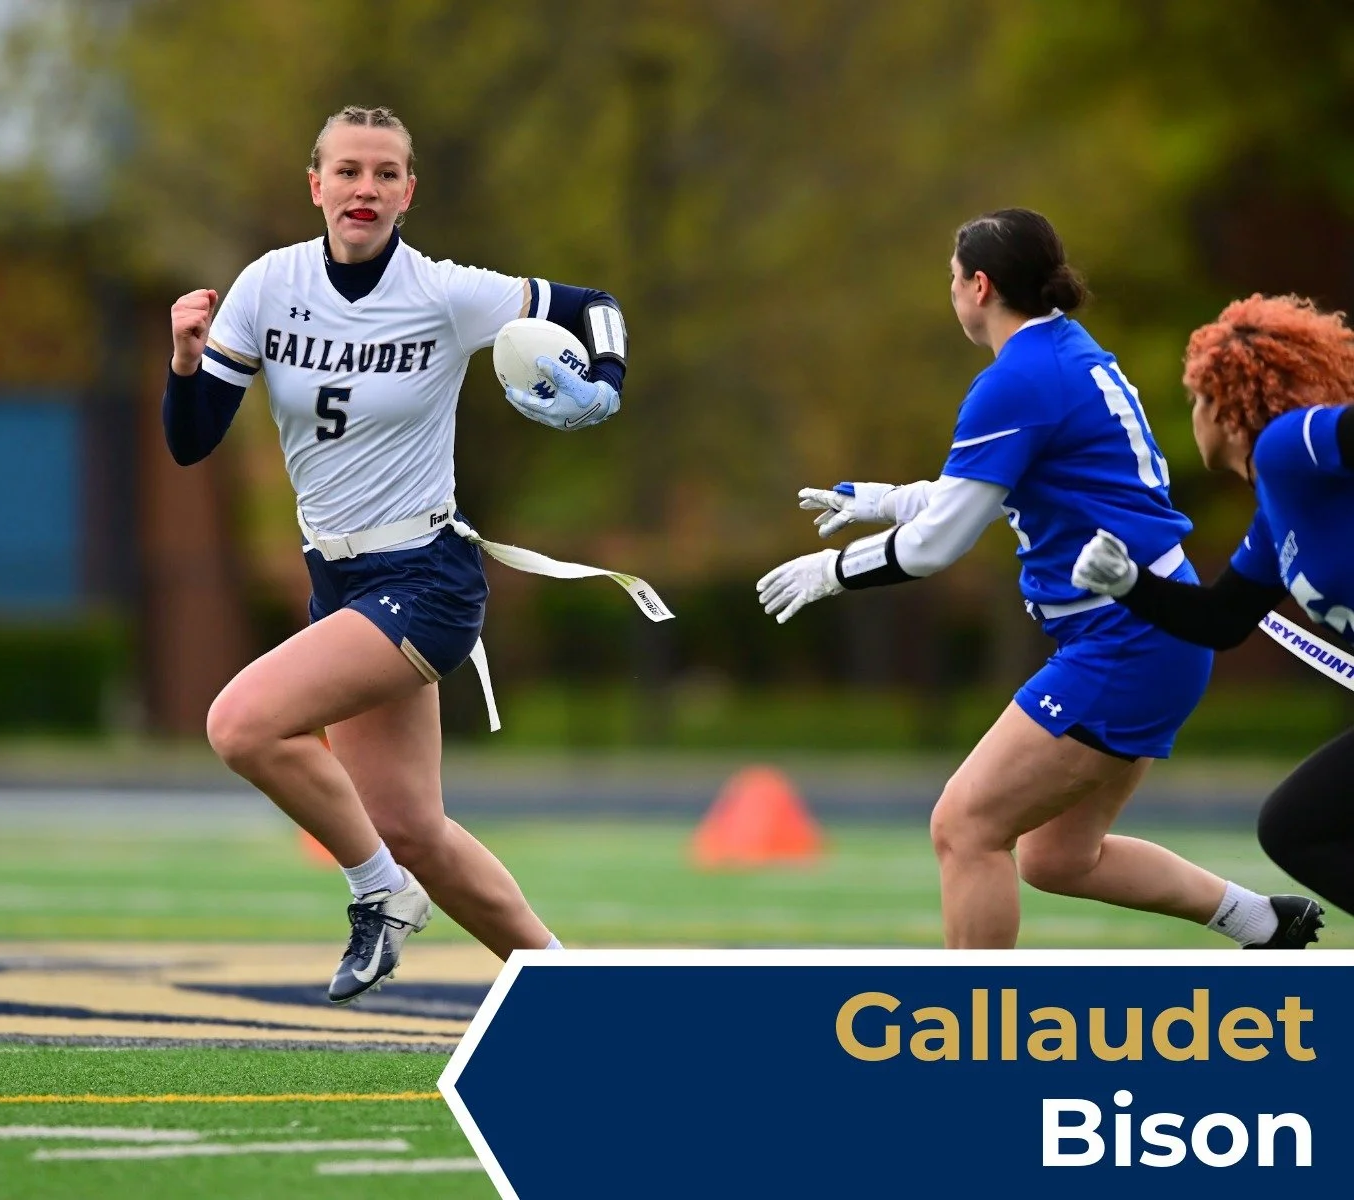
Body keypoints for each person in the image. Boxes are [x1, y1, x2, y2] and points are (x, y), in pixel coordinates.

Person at [164, 106, 643, 1003]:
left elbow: (596, 308)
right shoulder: (268, 285)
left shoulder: (443, 291)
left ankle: (378, 895)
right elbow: (192, 443)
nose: (364, 188)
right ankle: (576, 990)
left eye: (385, 174)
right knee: (414, 829)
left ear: (408, 193)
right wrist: (186, 362)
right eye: (347, 171)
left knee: (240, 725)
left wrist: (604, 384)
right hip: (337, 580)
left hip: (423, 579)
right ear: (315, 185)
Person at [755, 208, 1323, 949]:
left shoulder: (1019, 379)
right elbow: (996, 493)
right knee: (1057, 858)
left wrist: (834, 572)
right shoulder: (1066, 352)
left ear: (980, 286)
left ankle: (974, 1033)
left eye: (952, 278)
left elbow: (937, 545)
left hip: (1126, 636)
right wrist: (887, 500)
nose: (950, 291)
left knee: (965, 826)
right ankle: (1260, 922)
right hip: (1154, 629)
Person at [1072, 293, 1354, 917]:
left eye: (1198, 399)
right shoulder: (1273, 518)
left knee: (1299, 829)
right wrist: (1129, 584)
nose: (1193, 414)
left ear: (1229, 408)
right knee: (1295, 828)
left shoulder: (1286, 446)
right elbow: (1222, 620)